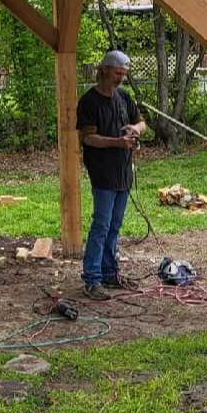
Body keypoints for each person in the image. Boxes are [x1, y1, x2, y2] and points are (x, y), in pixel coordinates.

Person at [75, 50, 147, 299]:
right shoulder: (89, 102)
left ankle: (110, 272)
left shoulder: (125, 98)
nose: (121, 78)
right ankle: (92, 279)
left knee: (115, 225)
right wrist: (118, 142)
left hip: (123, 171)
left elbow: (142, 123)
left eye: (124, 74)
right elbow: (89, 138)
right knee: (101, 225)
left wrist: (134, 129)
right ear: (104, 70)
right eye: (118, 73)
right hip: (102, 172)